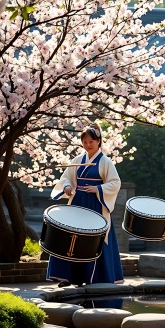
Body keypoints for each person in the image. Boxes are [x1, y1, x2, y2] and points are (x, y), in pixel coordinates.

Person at [46, 123, 124, 287]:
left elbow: (115, 183)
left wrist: (98, 188)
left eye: (91, 142)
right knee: (70, 238)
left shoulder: (105, 162)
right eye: (85, 142)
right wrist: (67, 186)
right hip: (77, 204)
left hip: (95, 205)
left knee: (92, 241)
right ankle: (68, 277)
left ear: (98, 141)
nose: (88, 145)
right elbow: (66, 177)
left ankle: (94, 278)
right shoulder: (77, 160)